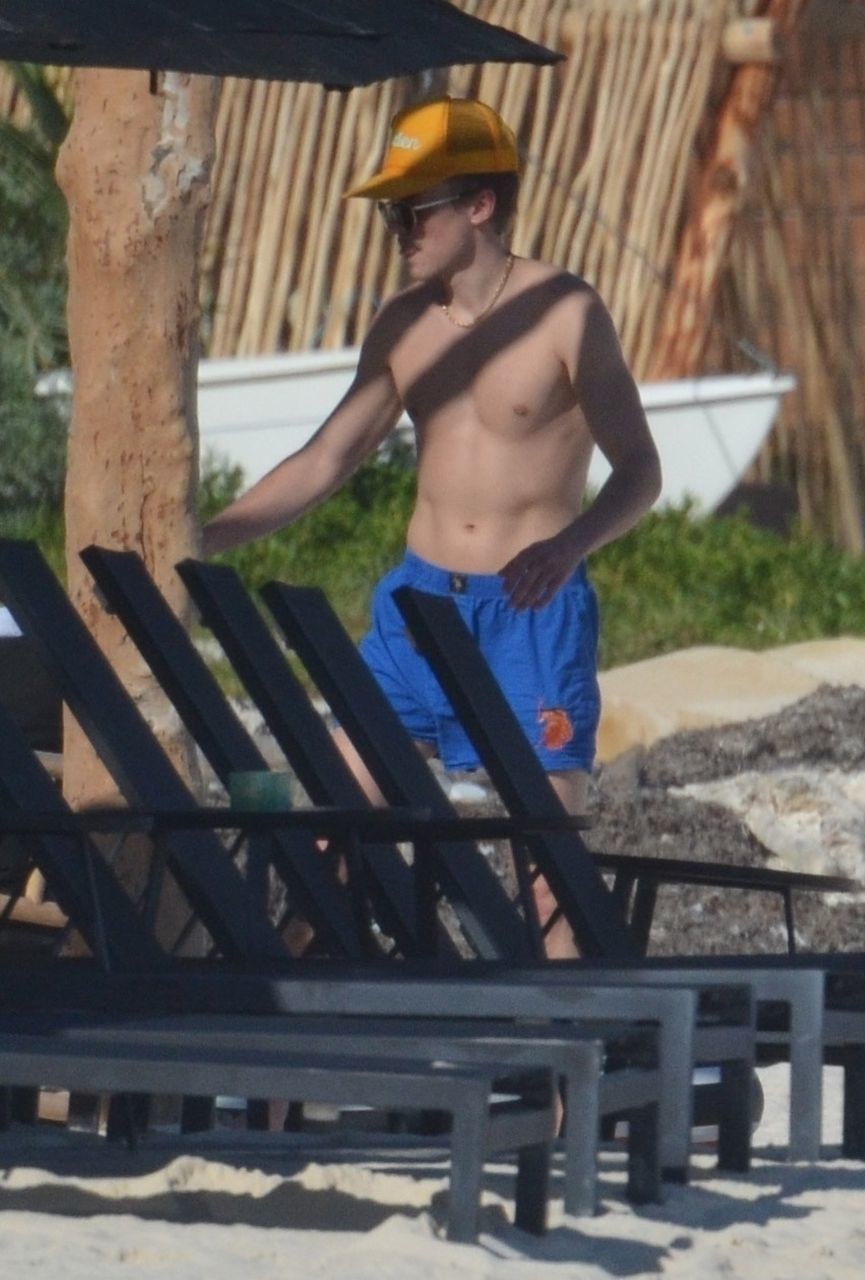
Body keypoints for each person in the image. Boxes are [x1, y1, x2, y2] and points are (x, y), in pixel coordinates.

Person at [202, 97, 662, 958]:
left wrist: (569, 546)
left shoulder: (565, 312)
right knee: (329, 833)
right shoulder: (405, 323)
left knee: (548, 867)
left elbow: (641, 470)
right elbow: (326, 458)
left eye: (413, 210)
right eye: (390, 212)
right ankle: (278, 1038)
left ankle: (568, 1046)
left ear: (480, 204)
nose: (398, 231)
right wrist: (205, 537)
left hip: (531, 613)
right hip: (417, 612)